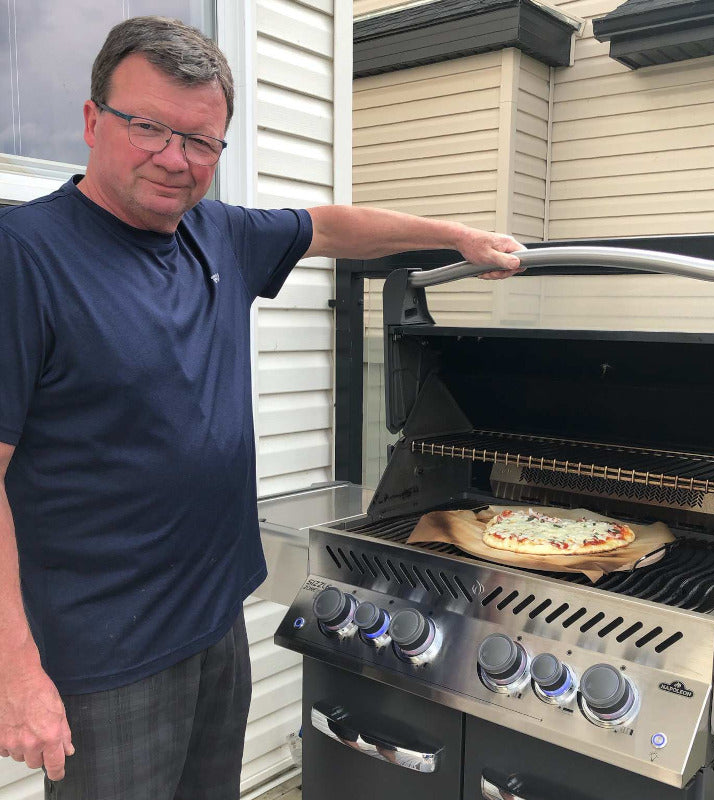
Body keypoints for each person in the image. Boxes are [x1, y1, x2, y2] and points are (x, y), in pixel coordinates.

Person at [0, 15, 524, 800]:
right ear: (91, 120)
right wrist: (16, 672)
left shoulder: (215, 235)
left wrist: (458, 238)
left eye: (201, 141)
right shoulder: (24, 257)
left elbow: (332, 227)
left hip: (213, 625)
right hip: (105, 658)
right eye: (148, 127)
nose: (175, 159)